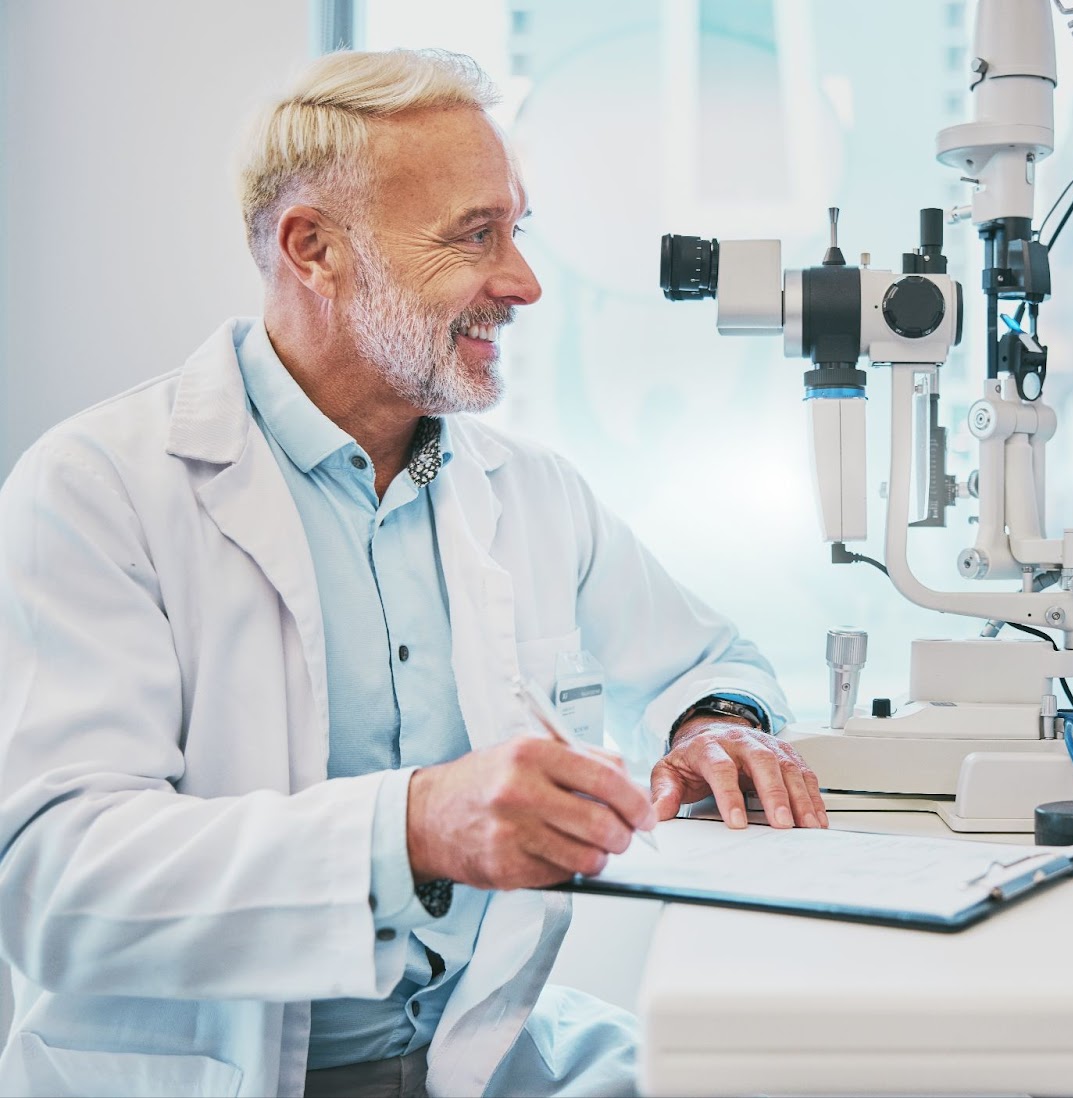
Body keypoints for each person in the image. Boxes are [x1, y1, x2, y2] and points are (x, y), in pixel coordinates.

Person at [0, 49, 827, 1097]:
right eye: (474, 236)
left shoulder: (526, 491)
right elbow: (52, 885)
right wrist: (415, 826)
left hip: (476, 1062)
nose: (523, 282)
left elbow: (705, 658)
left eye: (515, 230)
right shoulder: (99, 489)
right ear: (313, 249)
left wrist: (716, 720)